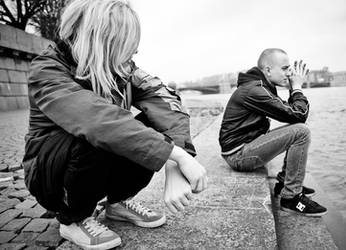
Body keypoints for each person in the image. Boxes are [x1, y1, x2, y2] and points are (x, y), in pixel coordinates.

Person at [22, 0, 207, 249]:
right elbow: (97, 120)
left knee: (146, 127)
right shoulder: (47, 70)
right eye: (126, 47)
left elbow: (166, 100)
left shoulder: (122, 69)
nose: (133, 55)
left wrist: (176, 162)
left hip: (93, 160)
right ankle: (72, 218)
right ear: (103, 42)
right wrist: (173, 154)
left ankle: (118, 203)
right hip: (51, 174)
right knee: (99, 135)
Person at [219, 48, 327, 217]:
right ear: (268, 70)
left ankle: (285, 184)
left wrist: (294, 89)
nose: (289, 73)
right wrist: (297, 87)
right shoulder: (255, 90)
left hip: (242, 149)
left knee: (298, 129)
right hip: (238, 155)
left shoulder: (260, 86)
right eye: (285, 68)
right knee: (301, 132)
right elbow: (298, 115)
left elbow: (293, 114)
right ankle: (291, 197)